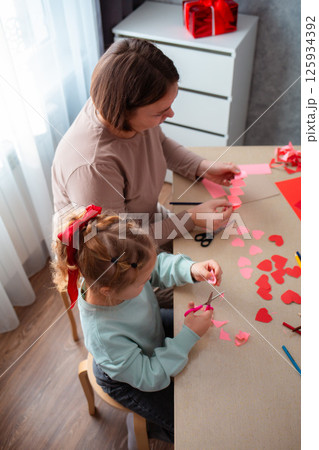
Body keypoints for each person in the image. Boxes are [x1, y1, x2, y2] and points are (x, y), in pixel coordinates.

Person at [51, 206, 222, 445]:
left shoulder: (117, 277)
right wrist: (188, 335)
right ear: (109, 291)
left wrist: (191, 269)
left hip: (148, 331)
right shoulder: (103, 336)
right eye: (143, 282)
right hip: (130, 378)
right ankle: (147, 427)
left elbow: (156, 267)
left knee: (209, 348)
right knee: (187, 424)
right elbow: (149, 375)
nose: (148, 281)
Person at [51, 38, 240, 248]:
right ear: (123, 109)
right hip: (113, 255)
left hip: (143, 222)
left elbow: (160, 143)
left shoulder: (116, 107)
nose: (171, 114)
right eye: (160, 112)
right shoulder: (92, 167)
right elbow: (120, 243)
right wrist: (191, 218)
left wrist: (202, 167)